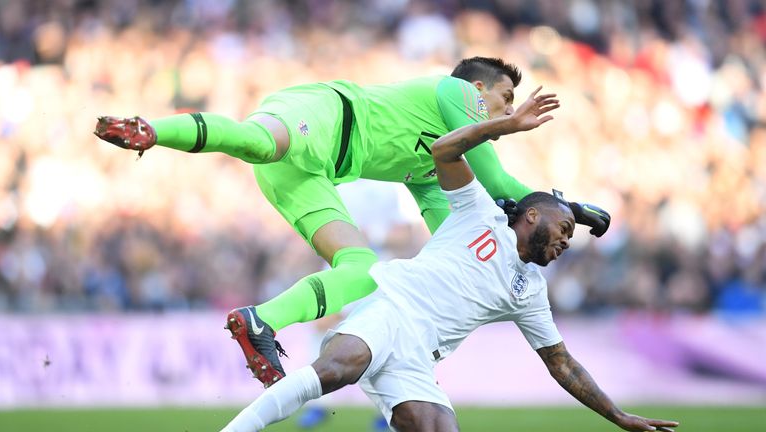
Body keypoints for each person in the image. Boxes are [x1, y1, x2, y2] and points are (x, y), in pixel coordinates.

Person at [94, 57, 610, 387]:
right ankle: (150, 130)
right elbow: (497, 180)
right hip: (321, 115)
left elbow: (457, 235)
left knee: (362, 267)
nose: (507, 111)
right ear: (479, 89)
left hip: (311, 174)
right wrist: (574, 206)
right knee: (258, 141)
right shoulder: (455, 92)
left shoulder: (431, 172)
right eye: (504, 100)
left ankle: (261, 320)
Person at [217, 96, 679, 432]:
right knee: (339, 368)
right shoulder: (479, 212)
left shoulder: (531, 292)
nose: (564, 243)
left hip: (420, 356)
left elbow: (562, 364)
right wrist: (504, 126)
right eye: (563, 231)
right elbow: (444, 151)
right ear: (531, 215)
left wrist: (617, 416)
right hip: (391, 309)